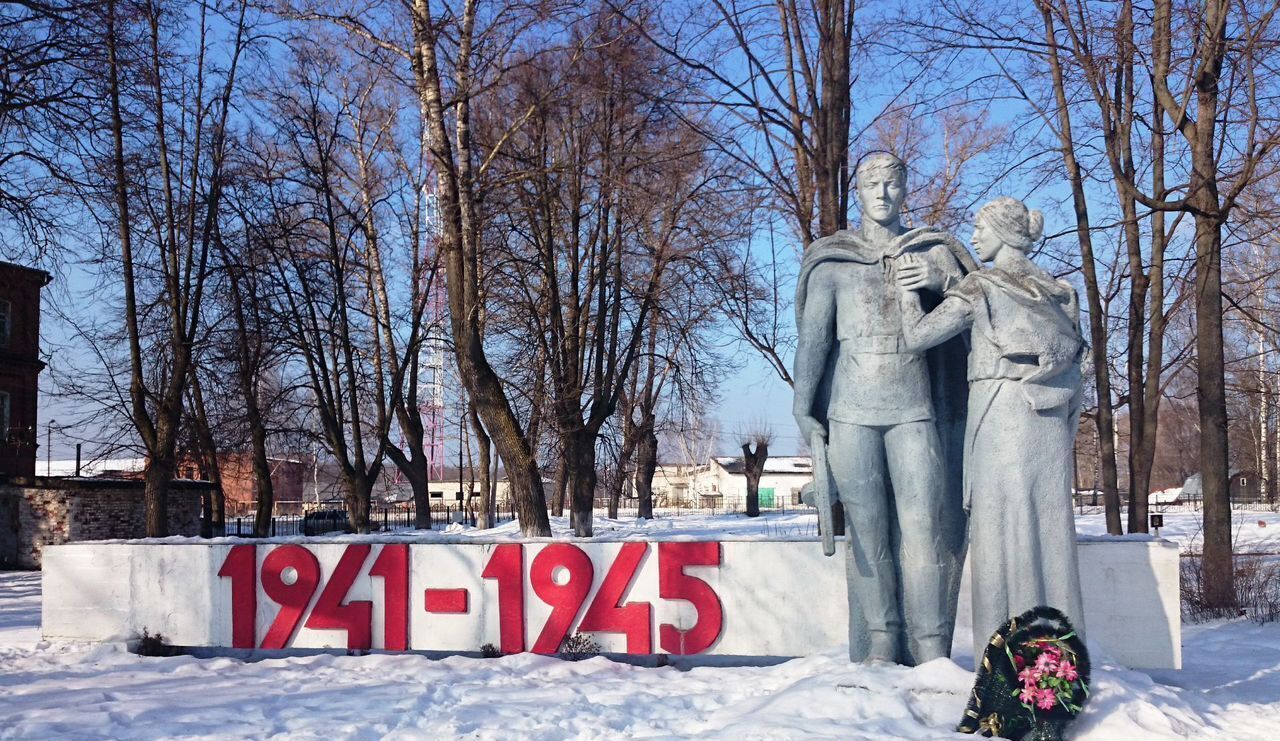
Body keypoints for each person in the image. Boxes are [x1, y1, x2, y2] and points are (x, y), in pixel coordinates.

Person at [792, 152, 970, 665]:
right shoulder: (834, 262)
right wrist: (805, 407)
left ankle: (932, 643)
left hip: (914, 410)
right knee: (868, 534)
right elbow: (814, 344)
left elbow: (979, 309)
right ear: (858, 192)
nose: (883, 193)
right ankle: (883, 638)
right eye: (873, 184)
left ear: (905, 189)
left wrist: (938, 283)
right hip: (851, 413)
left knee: (923, 530)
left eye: (893, 183)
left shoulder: (931, 254)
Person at [895, 196, 1087, 664]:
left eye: (980, 227)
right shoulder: (1059, 292)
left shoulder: (980, 288)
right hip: (1044, 417)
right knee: (1046, 526)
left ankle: (1005, 657)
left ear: (1002, 231)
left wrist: (909, 289)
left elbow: (917, 337)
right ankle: (1054, 655)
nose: (974, 236)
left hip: (1000, 411)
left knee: (1000, 524)